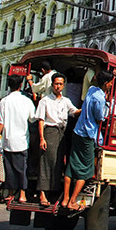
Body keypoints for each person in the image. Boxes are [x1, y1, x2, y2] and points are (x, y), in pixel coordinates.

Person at [62, 70, 114, 210]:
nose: (111, 85)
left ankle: (65, 197)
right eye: (110, 82)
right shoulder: (100, 99)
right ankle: (73, 200)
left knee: (72, 166)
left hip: (77, 131)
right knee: (86, 170)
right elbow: (99, 117)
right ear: (106, 83)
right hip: (88, 134)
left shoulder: (91, 90)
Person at [35, 73, 80, 205]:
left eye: (60, 84)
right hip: (50, 131)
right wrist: (42, 138)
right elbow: (41, 121)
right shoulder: (45, 100)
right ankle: (42, 194)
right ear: (52, 85)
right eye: (56, 84)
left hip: (62, 132)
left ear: (63, 85)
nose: (58, 87)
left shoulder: (65, 101)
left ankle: (53, 193)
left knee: (58, 162)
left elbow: (74, 111)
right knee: (46, 161)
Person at [0, 74, 37, 203]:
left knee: (10, 168)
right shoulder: (27, 101)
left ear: (9, 85)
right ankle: (23, 194)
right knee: (21, 169)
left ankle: (11, 193)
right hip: (22, 141)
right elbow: (32, 118)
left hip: (8, 140)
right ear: (20, 85)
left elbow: (0, 122)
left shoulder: (4, 101)